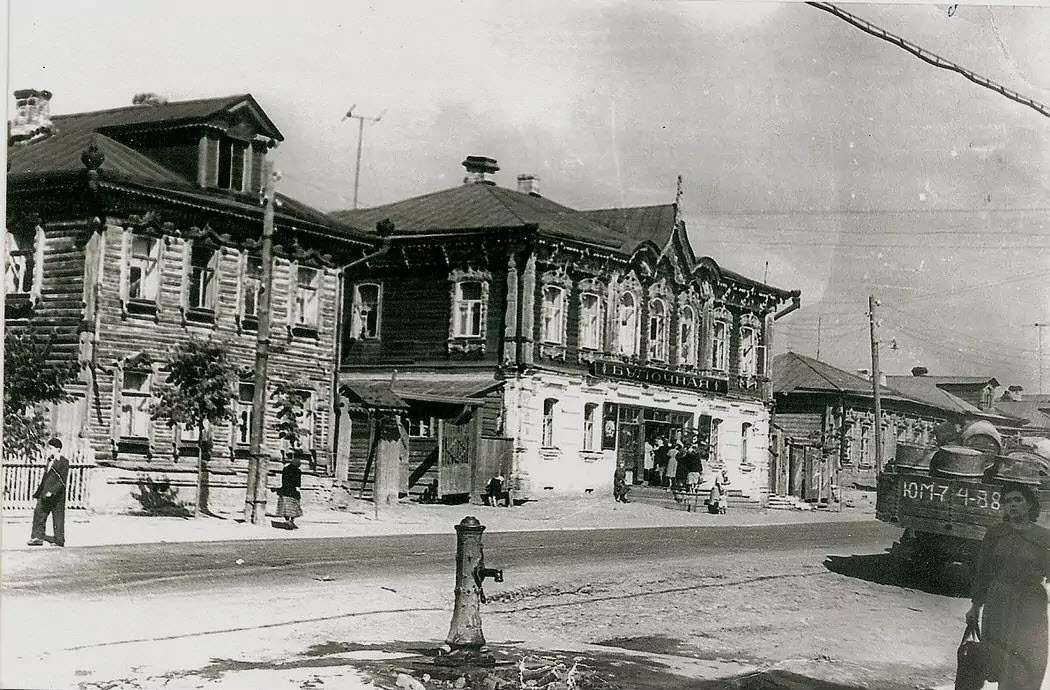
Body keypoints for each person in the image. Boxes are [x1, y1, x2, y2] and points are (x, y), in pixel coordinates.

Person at [965, 484, 1050, 689]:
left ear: (1029, 505)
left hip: (1031, 606)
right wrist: (975, 606)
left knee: (1027, 658)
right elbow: (983, 572)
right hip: (998, 602)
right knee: (997, 658)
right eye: (1008, 501)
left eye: (1018, 500)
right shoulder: (995, 534)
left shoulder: (1044, 536)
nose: (1012, 505)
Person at [28, 438, 70, 547]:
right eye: (49, 448)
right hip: (45, 493)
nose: (49, 450)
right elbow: (46, 477)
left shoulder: (64, 462)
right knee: (39, 513)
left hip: (57, 496)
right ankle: (37, 537)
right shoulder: (49, 460)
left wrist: (52, 491)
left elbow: (62, 481)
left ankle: (59, 540)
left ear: (58, 449)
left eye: (51, 448)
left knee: (58, 518)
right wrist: (40, 491)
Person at [275, 456, 303, 529]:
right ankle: (292, 521)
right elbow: (298, 483)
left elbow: (283, 480)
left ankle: (287, 520)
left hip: (285, 490)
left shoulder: (285, 469)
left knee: (285, 507)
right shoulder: (298, 471)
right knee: (294, 508)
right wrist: (298, 489)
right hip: (293, 492)